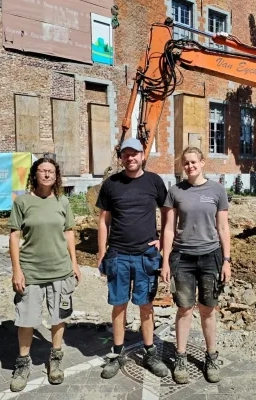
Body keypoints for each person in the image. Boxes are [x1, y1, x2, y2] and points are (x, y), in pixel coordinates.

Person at [96, 137, 170, 379]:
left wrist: (163, 241)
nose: (130, 158)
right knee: (119, 306)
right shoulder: (111, 184)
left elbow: (168, 213)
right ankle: (118, 354)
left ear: (142, 156)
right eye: (126, 154)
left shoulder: (154, 182)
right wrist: (101, 252)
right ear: (121, 157)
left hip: (145, 256)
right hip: (118, 254)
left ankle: (149, 352)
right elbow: (103, 221)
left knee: (146, 305)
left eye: (134, 154)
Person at [7, 157, 81, 392]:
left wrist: (75, 263)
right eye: (42, 171)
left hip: (60, 270)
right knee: (26, 320)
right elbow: (14, 236)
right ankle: (22, 364)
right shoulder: (23, 202)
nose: (47, 175)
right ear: (35, 174)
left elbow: (69, 232)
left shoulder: (62, 201)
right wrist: (17, 270)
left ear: (56, 175)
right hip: (31, 272)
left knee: (58, 317)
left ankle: (56, 359)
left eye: (51, 171)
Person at [160, 146, 231, 384]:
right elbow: (169, 229)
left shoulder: (217, 190)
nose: (189, 166)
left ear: (202, 163)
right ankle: (180, 357)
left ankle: (211, 357)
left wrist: (227, 260)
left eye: (193, 162)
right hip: (183, 258)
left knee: (208, 309)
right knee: (184, 309)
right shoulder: (175, 191)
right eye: (186, 163)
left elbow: (223, 228)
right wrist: (165, 261)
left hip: (211, 257)